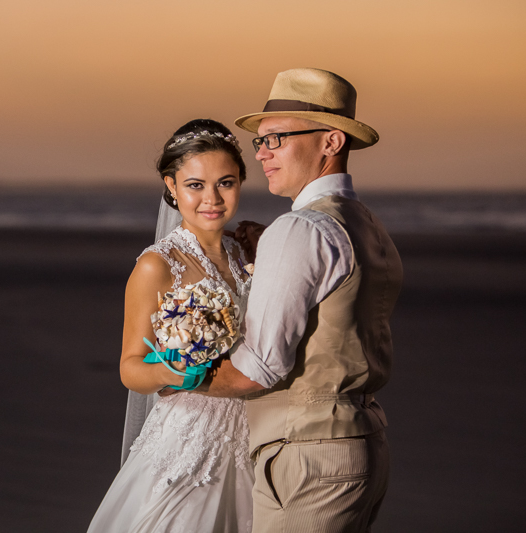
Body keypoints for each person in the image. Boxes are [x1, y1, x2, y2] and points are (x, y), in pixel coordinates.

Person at [188, 68, 404, 532]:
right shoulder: (367, 225)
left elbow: (259, 368)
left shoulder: (301, 229)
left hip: (309, 459)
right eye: (259, 143)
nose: (262, 155)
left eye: (277, 139)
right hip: (363, 444)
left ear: (330, 142)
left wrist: (179, 377)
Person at [87, 119, 255, 532]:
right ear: (171, 186)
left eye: (226, 183)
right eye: (195, 185)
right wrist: (173, 370)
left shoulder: (245, 251)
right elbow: (130, 366)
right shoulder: (156, 265)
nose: (211, 198)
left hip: (252, 435)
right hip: (190, 445)